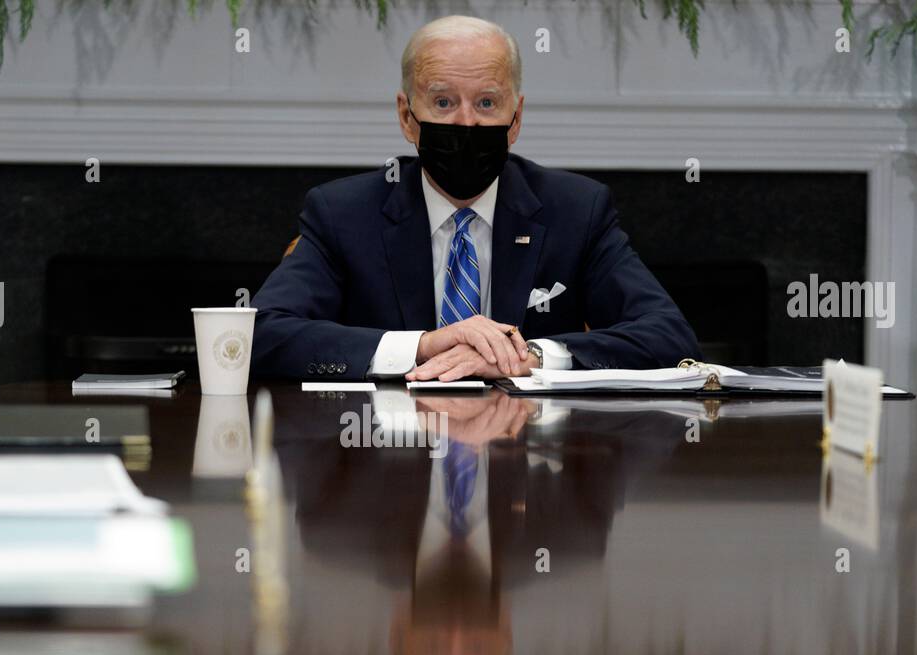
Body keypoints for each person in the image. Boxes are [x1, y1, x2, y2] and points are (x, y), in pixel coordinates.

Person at [250, 14, 700, 383]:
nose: (466, 125)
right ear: (407, 117)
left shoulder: (576, 211)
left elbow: (668, 336)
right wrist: (421, 347)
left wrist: (530, 356)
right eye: (443, 102)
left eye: (487, 103)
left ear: (516, 117)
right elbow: (261, 335)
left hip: (531, 469)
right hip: (388, 463)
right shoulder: (343, 213)